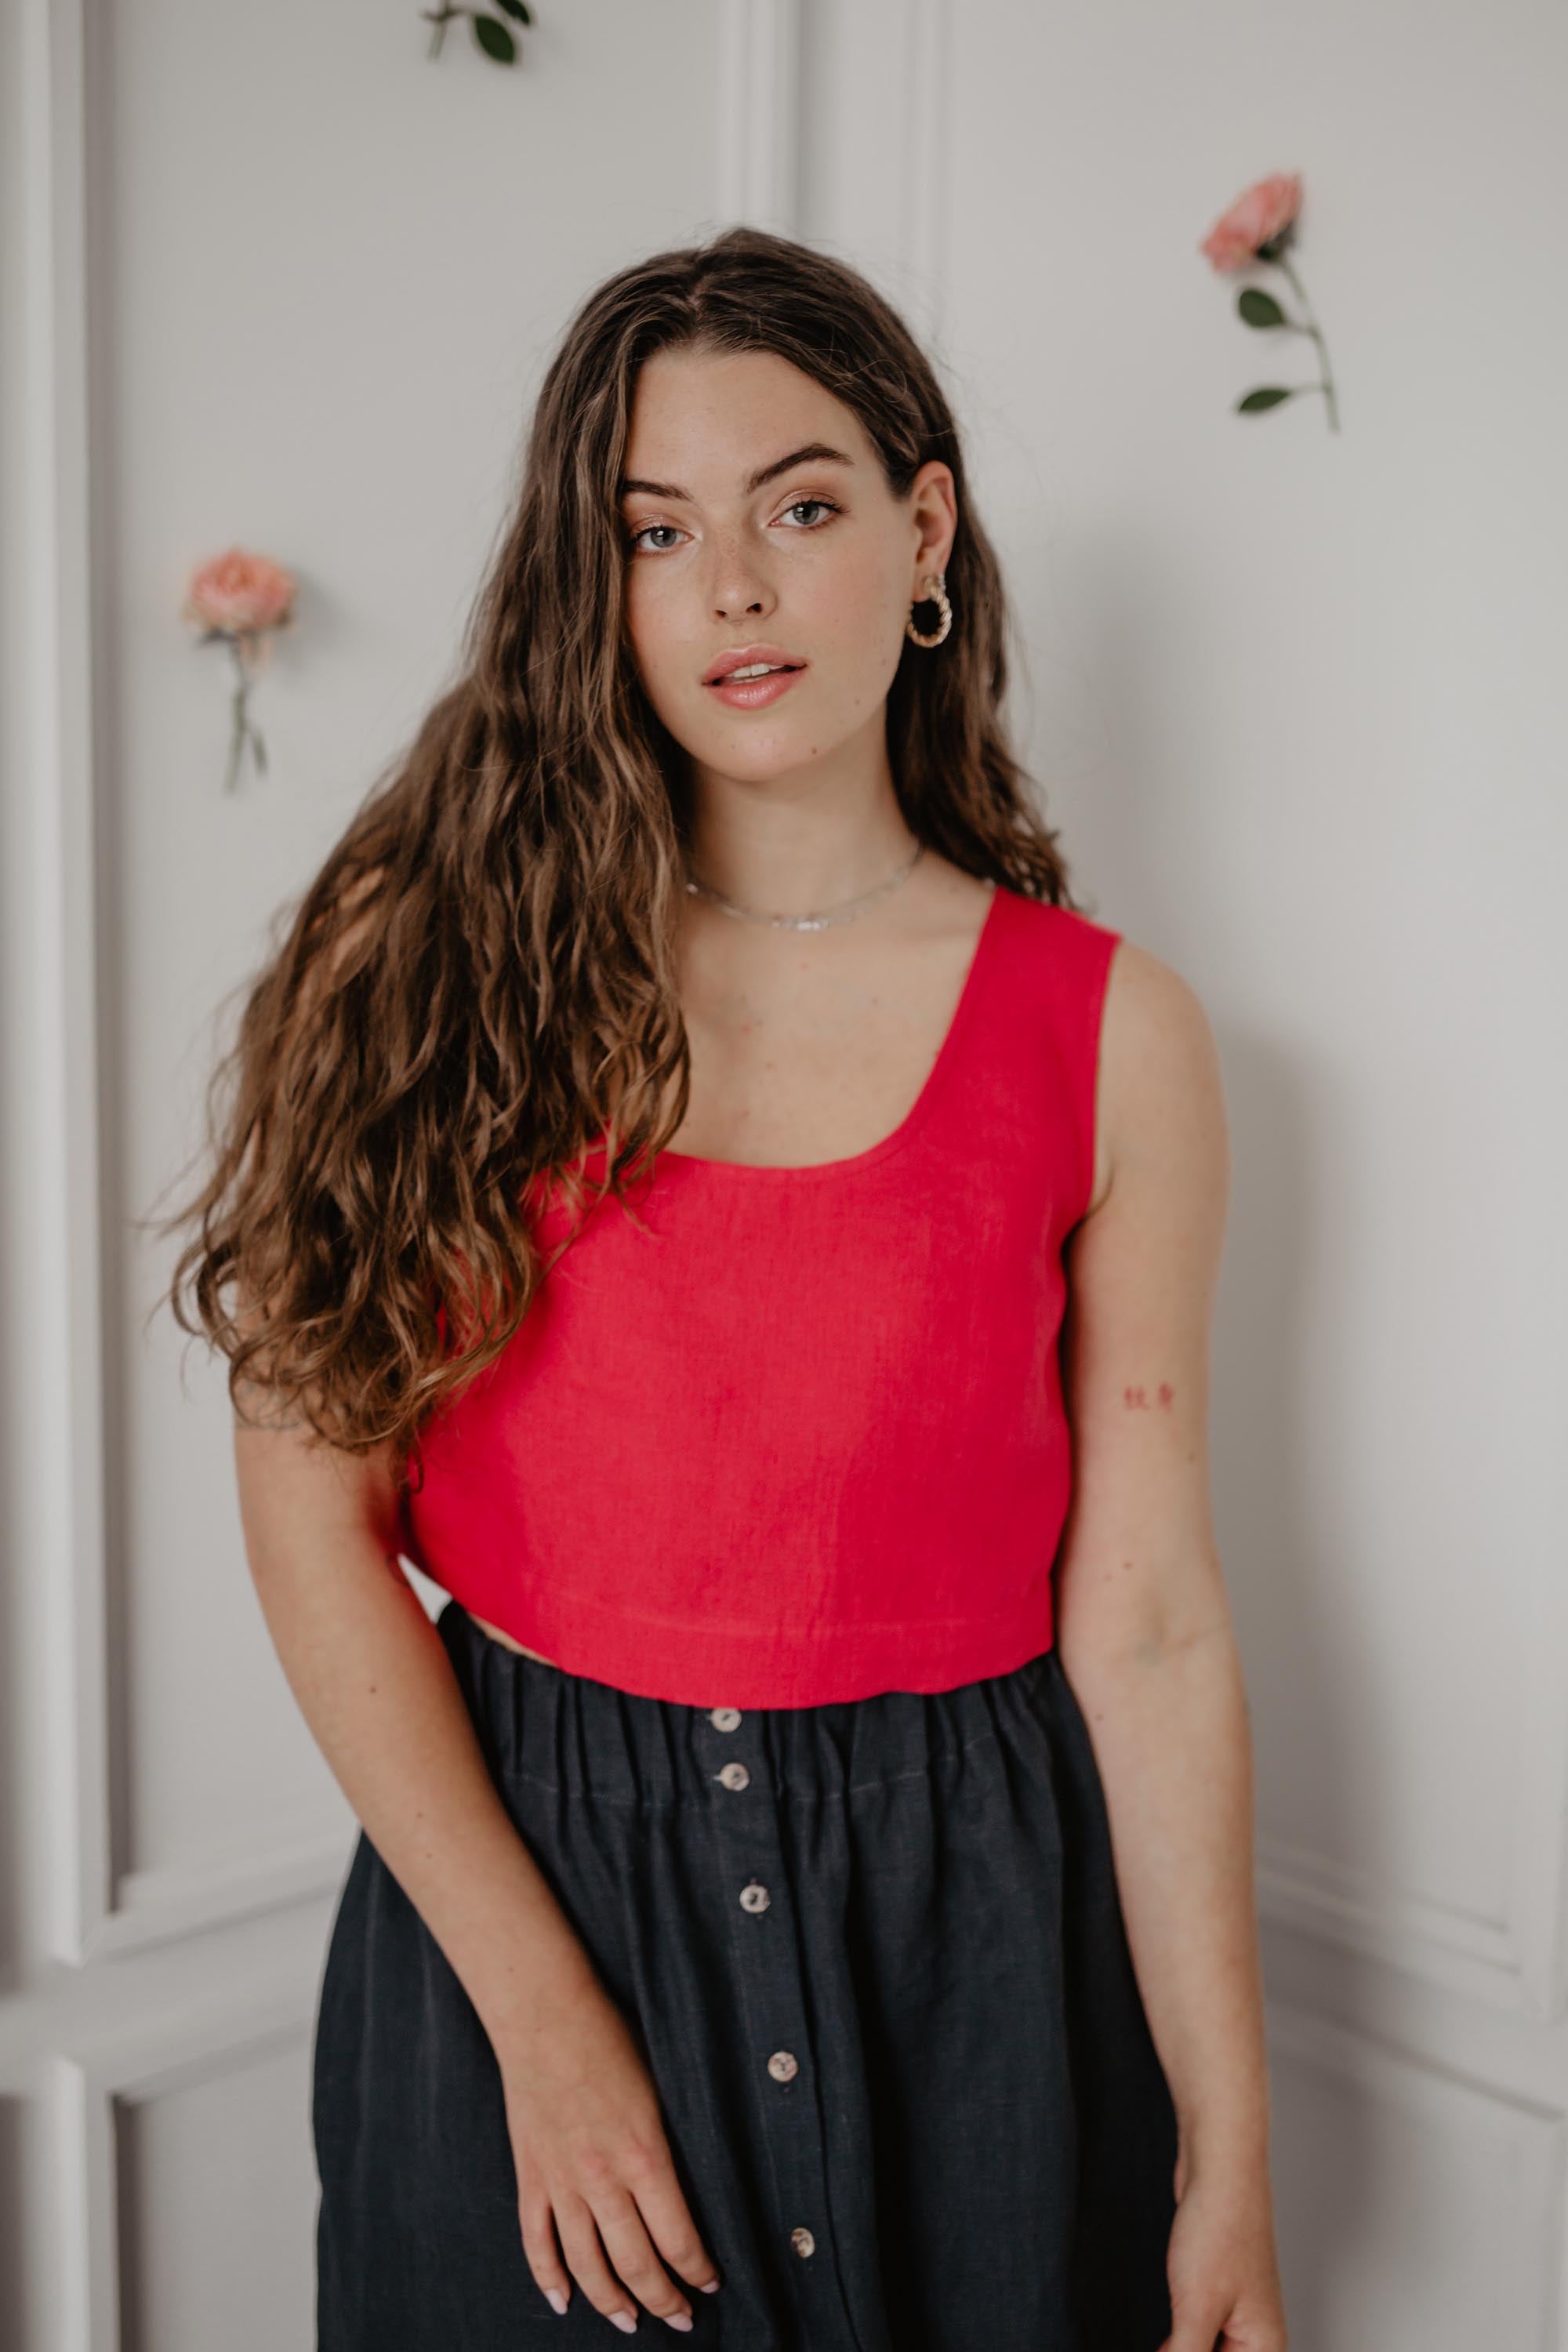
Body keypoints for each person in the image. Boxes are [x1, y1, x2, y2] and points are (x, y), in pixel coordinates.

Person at [162, 224, 1287, 2352]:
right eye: (655, 531)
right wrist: (543, 2020)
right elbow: (309, 1510)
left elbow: (1144, 1617)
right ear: (598, 585)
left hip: (975, 1959)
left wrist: (1230, 2145)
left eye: (801, 505)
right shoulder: (432, 955)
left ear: (921, 524)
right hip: (527, 1908)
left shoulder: (1112, 1032)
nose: (738, 589)